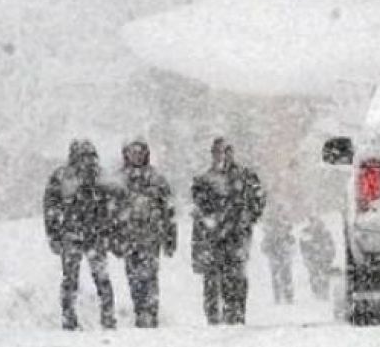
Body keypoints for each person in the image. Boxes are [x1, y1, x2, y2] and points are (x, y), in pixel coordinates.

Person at [43, 139, 117, 331]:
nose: (86, 161)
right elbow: (51, 206)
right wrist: (53, 234)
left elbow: (112, 206)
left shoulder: (99, 177)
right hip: (74, 234)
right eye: (82, 156)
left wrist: (109, 229)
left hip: (92, 234)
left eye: (89, 156)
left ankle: (106, 317)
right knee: (72, 279)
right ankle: (71, 317)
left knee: (98, 278)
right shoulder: (63, 177)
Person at [192, 137, 266, 325]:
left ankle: (235, 313)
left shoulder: (245, 176)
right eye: (218, 152)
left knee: (236, 275)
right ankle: (214, 315)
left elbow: (258, 199)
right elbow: (199, 207)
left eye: (226, 152)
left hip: (237, 234)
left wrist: (247, 217)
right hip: (213, 235)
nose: (222, 156)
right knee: (212, 276)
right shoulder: (204, 180)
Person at [114, 140, 176, 328]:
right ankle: (140, 311)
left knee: (150, 275)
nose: (136, 156)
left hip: (151, 237)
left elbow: (168, 210)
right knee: (133, 277)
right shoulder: (119, 180)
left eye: (140, 152)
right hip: (129, 237)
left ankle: (151, 312)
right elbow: (111, 211)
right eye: (133, 152)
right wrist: (113, 237)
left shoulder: (156, 178)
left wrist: (170, 237)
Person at [260, 215, 295, 304]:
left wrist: (288, 251)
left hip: (283, 258)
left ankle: (287, 296)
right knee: (278, 278)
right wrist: (271, 254)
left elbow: (293, 243)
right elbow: (264, 247)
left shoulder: (286, 235)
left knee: (285, 277)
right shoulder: (271, 236)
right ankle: (280, 297)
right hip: (276, 259)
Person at [299, 217, 336, 300]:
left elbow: (331, 245)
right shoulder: (306, 232)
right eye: (313, 222)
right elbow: (303, 246)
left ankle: (324, 293)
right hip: (313, 258)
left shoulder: (325, 232)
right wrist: (307, 257)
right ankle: (317, 293)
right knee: (315, 275)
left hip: (323, 258)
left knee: (323, 276)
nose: (315, 224)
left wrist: (330, 256)